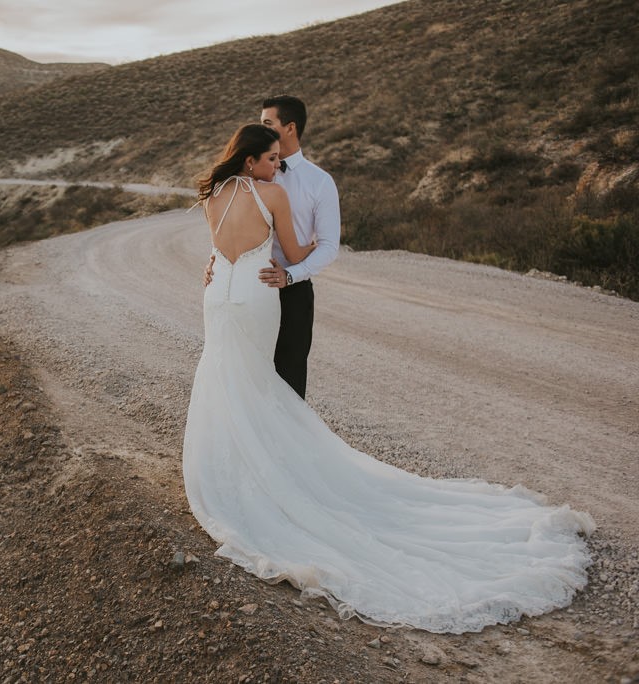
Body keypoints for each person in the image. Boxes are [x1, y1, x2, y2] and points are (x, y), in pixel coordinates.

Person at [183, 123, 594, 634]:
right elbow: (292, 250)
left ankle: (232, 475)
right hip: (256, 294)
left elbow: (217, 250)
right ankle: (274, 477)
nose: (275, 166)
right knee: (259, 382)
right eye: (269, 158)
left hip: (217, 296)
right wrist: (303, 248)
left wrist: (223, 260)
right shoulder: (272, 194)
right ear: (249, 162)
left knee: (228, 377)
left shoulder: (212, 194)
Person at [204, 95, 340, 399]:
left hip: (293, 289)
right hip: (249, 286)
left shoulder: (319, 182)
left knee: (289, 380)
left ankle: (286, 445)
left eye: (268, 122)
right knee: (246, 376)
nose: (260, 127)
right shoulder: (248, 173)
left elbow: (330, 246)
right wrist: (216, 259)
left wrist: (292, 275)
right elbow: (229, 226)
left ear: (290, 127)